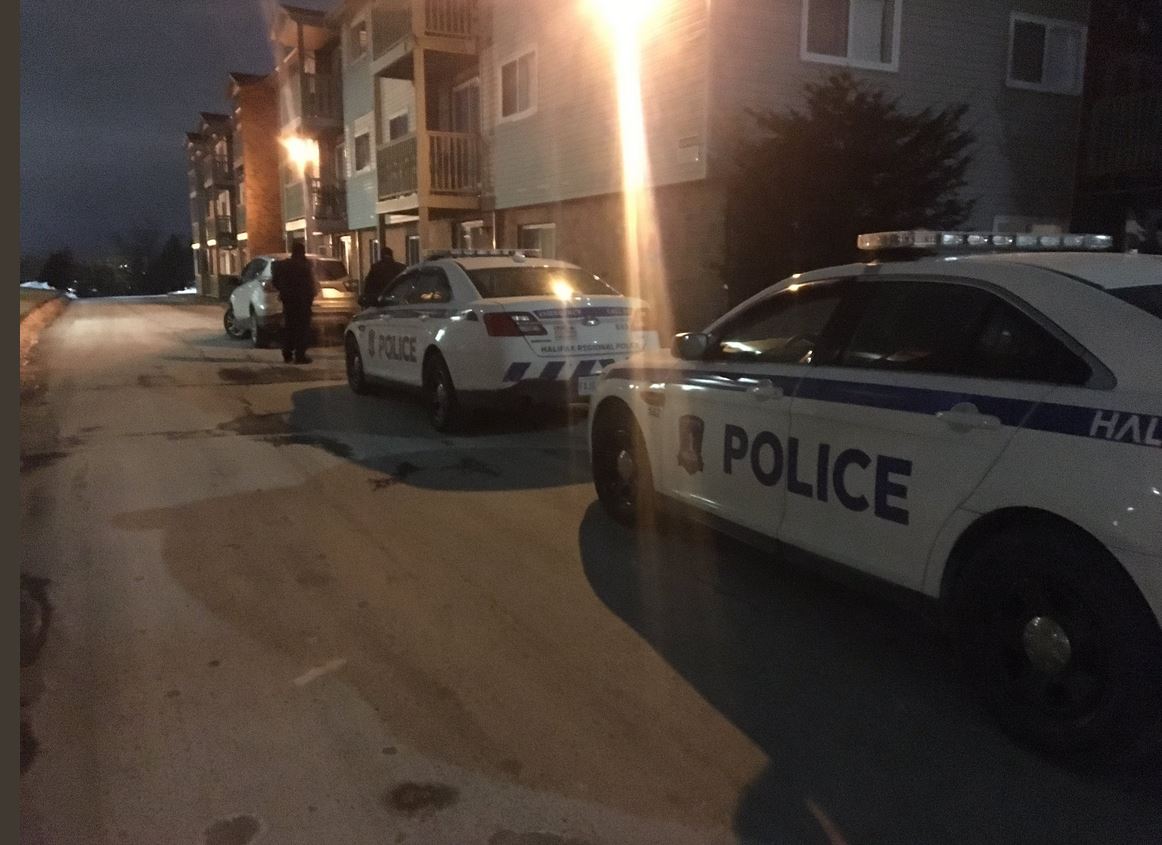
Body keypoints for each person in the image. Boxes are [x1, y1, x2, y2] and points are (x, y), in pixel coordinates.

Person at [270, 241, 318, 364]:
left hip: (289, 301)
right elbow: (310, 284)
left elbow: (275, 280)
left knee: (289, 327)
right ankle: (300, 355)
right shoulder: (304, 266)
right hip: (302, 302)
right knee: (302, 329)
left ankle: (287, 353)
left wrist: (283, 290)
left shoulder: (284, 265)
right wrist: (310, 295)